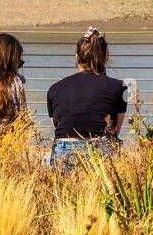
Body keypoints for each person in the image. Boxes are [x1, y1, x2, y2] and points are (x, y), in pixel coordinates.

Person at [46, 26, 127, 168]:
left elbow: (58, 126)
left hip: (63, 149)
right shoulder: (120, 87)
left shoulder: (54, 89)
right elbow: (115, 130)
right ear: (106, 58)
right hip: (101, 149)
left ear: (77, 58)